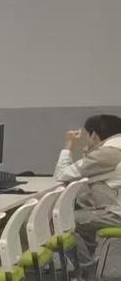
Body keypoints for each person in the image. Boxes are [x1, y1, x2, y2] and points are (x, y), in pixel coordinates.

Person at [53, 114, 121, 272]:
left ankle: (86, 271)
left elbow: (61, 174)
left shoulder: (107, 154)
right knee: (83, 215)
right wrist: (88, 153)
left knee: (64, 221)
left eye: (87, 136)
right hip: (112, 208)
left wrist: (68, 146)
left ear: (95, 135)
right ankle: (86, 265)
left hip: (116, 214)